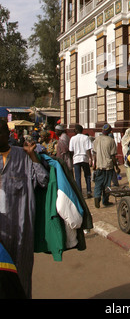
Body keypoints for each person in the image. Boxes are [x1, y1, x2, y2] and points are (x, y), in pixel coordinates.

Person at [0, 120, 49, 298]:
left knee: (21, 278)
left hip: (21, 230)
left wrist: (33, 157)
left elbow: (43, 180)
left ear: (8, 134)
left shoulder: (24, 156)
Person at [92, 123, 118, 208]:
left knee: (98, 183)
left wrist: (94, 164)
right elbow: (113, 156)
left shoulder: (97, 139)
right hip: (108, 166)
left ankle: (97, 197)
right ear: (110, 131)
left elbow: (95, 154)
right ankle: (105, 201)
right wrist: (116, 166)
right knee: (107, 184)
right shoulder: (111, 141)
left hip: (99, 165)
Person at [69, 124, 93, 198]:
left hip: (76, 159)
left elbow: (71, 150)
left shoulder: (72, 138)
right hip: (84, 158)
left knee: (78, 177)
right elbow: (88, 149)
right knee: (87, 175)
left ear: (76, 130)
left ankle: (79, 192)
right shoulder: (86, 138)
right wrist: (90, 158)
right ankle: (88, 191)